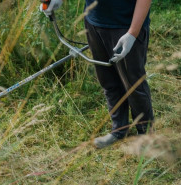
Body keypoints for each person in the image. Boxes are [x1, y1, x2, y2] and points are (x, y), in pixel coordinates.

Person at [41, 0, 154, 148]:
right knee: (108, 81)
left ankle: (145, 135)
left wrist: (132, 33)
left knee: (133, 84)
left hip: (125, 25)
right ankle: (118, 130)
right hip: (94, 22)